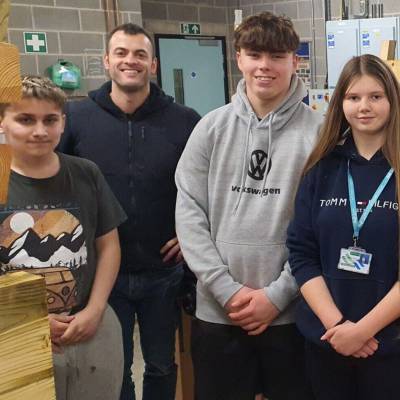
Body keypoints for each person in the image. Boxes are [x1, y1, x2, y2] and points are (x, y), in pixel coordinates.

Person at [175, 12, 322, 400]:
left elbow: (324, 226)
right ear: (238, 58)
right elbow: (189, 213)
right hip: (219, 310)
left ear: (295, 61)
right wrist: (226, 290)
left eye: (276, 56)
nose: (264, 66)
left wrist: (277, 295)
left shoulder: (321, 133)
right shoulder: (210, 128)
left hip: (291, 313)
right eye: (254, 54)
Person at [58, 23, 201, 400]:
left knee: (160, 364)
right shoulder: (76, 119)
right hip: (104, 274)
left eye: (140, 54)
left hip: (163, 271)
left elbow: (206, 190)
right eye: (121, 52)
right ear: (106, 61)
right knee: (114, 367)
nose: (130, 61)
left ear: (153, 65)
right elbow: (60, 188)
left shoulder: (185, 121)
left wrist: (192, 238)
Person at [0, 75, 127, 400]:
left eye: (50, 120)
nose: (39, 130)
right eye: (26, 119)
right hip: (14, 330)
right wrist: (30, 322)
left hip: (89, 324)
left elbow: (108, 245)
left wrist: (95, 309)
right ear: (3, 121)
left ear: (63, 123)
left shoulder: (86, 173)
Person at [287, 53, 400, 400]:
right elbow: (302, 254)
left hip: (390, 346)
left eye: (375, 96)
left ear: (392, 101)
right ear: (341, 103)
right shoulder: (321, 169)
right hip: (326, 340)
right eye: (353, 97)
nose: (364, 106)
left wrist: (362, 331)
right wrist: (337, 326)